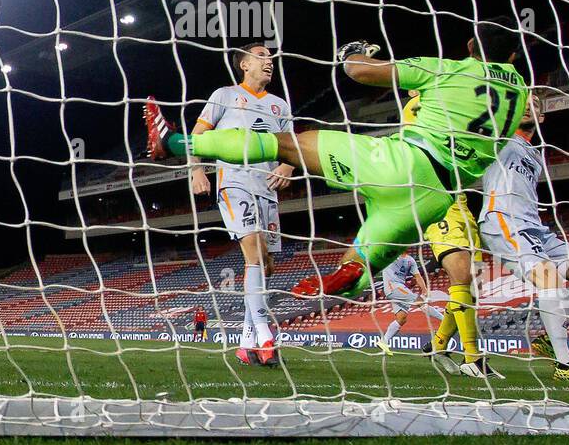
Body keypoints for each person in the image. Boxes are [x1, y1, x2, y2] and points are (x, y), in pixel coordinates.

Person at [146, 19, 528, 304]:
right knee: (365, 259)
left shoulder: (448, 68)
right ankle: (348, 277)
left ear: (470, 44)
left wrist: (354, 50)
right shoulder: (521, 93)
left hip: (403, 162)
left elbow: (359, 71)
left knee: (290, 144)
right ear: (513, 55)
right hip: (436, 196)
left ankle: (176, 141)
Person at [471, 93, 569, 383]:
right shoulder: (499, 138)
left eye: (535, 106)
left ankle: (549, 337)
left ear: (541, 117)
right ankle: (565, 365)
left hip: (537, 228)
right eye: (523, 104)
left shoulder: (535, 154)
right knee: (550, 280)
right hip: (504, 220)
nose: (529, 108)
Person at [180, 42, 293, 367]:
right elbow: (196, 135)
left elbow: (290, 145)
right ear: (244, 64)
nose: (269, 62)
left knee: (265, 265)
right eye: (261, 57)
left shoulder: (278, 105)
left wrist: (287, 166)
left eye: (270, 58)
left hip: (267, 190)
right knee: (255, 253)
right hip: (235, 183)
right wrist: (197, 169)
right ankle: (266, 336)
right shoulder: (225, 95)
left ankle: (246, 344)